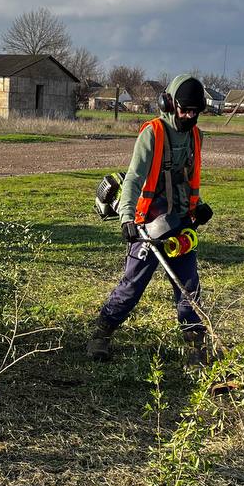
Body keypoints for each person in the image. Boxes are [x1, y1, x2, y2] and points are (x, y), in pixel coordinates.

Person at [88, 74, 214, 364]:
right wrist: (127, 217)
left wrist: (200, 207)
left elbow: (184, 179)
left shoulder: (196, 136)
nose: (189, 116)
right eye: (185, 110)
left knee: (188, 286)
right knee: (132, 285)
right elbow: (134, 178)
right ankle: (102, 333)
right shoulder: (153, 133)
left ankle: (196, 346)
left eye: (195, 112)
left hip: (181, 223)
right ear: (168, 103)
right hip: (148, 223)